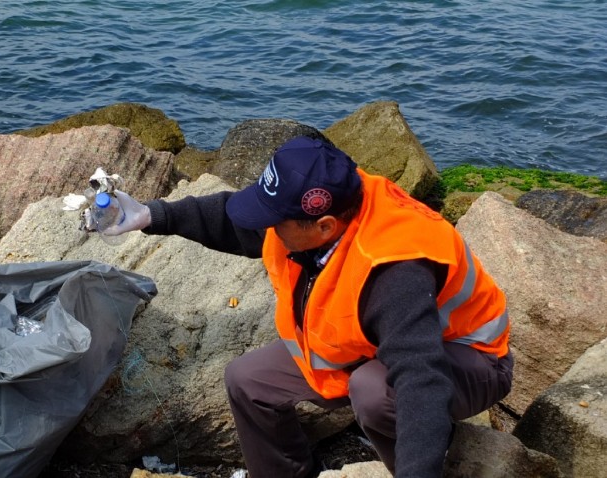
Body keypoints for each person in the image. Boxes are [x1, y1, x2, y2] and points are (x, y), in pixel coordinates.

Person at [102, 135, 513, 477]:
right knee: (248, 380)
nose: (264, 228)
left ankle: (423, 461)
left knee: (372, 391)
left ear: (324, 228)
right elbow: (230, 220)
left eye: (274, 222)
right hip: (371, 345)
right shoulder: (323, 206)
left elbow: (421, 382)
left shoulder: (394, 272)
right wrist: (150, 216)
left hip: (466, 358)